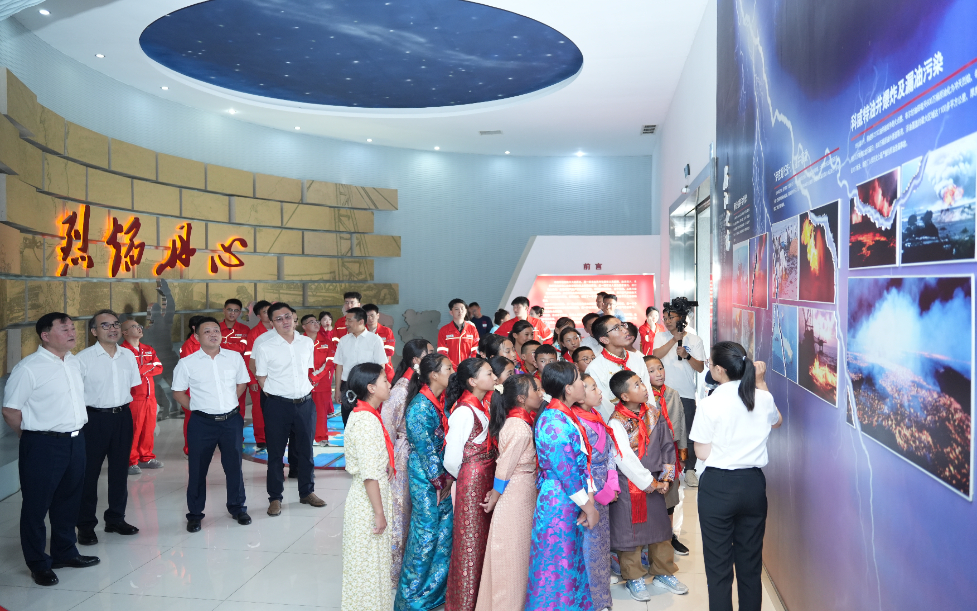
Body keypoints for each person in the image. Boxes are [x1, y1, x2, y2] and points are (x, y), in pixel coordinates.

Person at [2, 313, 99, 586]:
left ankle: (65, 552)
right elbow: (10, 411)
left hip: (75, 440)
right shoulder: (28, 368)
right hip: (43, 444)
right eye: (64, 329)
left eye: (72, 328)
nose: (72, 333)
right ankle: (38, 563)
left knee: (69, 500)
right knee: (36, 506)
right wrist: (30, 436)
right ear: (45, 336)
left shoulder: (74, 362)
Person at [690, 343, 781, 611]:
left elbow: (702, 453)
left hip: (718, 486)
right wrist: (761, 382)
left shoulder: (710, 403)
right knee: (750, 564)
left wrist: (724, 450)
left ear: (719, 370)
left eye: (710, 363)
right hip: (753, 485)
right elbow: (777, 421)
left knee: (718, 568)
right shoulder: (762, 398)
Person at [606, 369, 688, 601]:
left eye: (642, 382)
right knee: (629, 533)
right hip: (631, 483)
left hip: (657, 481)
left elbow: (667, 446)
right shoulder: (616, 421)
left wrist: (666, 478)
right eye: (637, 385)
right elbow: (624, 459)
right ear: (624, 396)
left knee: (661, 530)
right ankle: (634, 577)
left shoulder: (653, 413)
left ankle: (663, 572)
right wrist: (650, 483)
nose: (643, 387)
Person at [525, 362, 599, 610]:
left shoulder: (564, 415)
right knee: (557, 564)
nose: (583, 385)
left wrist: (587, 499)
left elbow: (580, 463)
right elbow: (567, 473)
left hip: (568, 497)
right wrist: (589, 507)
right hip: (559, 500)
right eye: (579, 380)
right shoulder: (553, 422)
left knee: (569, 560)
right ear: (568, 388)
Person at [172, 317, 252, 532]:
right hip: (202, 423)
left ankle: (238, 508)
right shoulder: (187, 363)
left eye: (216, 330)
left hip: (231, 421)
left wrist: (228, 403)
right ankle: (195, 514)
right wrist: (197, 408)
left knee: (234, 467)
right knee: (198, 470)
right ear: (196, 336)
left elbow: (242, 383)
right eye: (207, 331)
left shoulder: (234, 357)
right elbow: (178, 392)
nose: (213, 334)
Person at [475, 374, 542, 611]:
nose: (540, 394)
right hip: (515, 494)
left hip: (521, 492)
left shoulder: (520, 422)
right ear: (522, 398)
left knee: (519, 552)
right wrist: (495, 495)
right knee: (512, 555)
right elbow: (504, 467)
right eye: (535, 390)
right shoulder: (518, 427)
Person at [74, 309, 142, 545]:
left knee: (120, 471)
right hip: (94, 420)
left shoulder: (128, 356)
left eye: (115, 324)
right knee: (89, 474)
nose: (112, 329)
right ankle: (85, 525)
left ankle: (116, 519)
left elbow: (132, 387)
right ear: (94, 331)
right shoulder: (82, 359)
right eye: (105, 325)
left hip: (122, 417)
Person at [395, 353, 456, 610]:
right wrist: (441, 481)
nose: (452, 371)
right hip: (426, 476)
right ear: (433, 375)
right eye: (448, 368)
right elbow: (425, 449)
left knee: (443, 530)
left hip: (440, 475)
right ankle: (411, 596)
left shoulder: (440, 399)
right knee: (426, 532)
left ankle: (433, 591)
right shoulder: (420, 406)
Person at [253, 302, 326, 515]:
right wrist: (277, 395)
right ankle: (275, 497)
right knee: (276, 453)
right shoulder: (265, 346)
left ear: (294, 318)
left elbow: (307, 370)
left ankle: (307, 492)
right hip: (278, 405)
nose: (284, 321)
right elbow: (261, 377)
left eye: (287, 316)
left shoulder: (306, 343)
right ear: (272, 323)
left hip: (305, 404)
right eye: (278, 318)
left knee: (306, 450)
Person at [443, 358, 498, 611]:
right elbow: (452, 459)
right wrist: (468, 477)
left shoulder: (481, 405)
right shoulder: (464, 411)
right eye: (489, 373)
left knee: (481, 540)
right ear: (473, 381)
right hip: (472, 483)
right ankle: (463, 603)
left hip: (482, 479)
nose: (494, 377)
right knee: (470, 543)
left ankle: (479, 600)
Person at [341, 363, 395, 611]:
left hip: (371, 499)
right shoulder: (365, 421)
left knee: (373, 565)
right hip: (367, 503)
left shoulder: (368, 414)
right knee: (368, 568)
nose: (389, 384)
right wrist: (379, 512)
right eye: (384, 380)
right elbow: (369, 476)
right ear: (371, 388)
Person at [383, 338, 433, 590]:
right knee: (401, 513)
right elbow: (387, 428)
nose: (433, 357)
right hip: (402, 456)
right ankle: (394, 572)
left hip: (417, 453)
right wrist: (390, 462)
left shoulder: (420, 384)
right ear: (416, 360)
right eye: (429, 353)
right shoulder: (401, 389)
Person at [575, 373, 620, 611]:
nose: (599, 391)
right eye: (593, 388)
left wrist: (612, 483)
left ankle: (601, 598)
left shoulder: (596, 415)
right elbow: (581, 463)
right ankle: (589, 601)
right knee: (588, 545)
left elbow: (610, 452)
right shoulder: (575, 422)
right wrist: (598, 488)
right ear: (579, 395)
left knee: (601, 544)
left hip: (604, 484)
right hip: (588, 488)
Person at [653, 305, 705, 486]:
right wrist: (674, 340)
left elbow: (700, 368)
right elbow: (655, 356)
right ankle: (665, 467)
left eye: (671, 317)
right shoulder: (660, 336)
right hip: (662, 393)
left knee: (687, 433)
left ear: (681, 318)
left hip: (686, 393)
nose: (667, 321)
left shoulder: (695, 339)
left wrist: (687, 355)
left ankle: (689, 469)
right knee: (662, 431)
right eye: (665, 318)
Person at [644, 354, 690, 555]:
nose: (658, 373)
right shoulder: (641, 395)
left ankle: (669, 537)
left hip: (669, 454)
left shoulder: (672, 394)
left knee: (670, 496)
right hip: (649, 454)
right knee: (651, 497)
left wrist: (682, 454)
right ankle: (649, 540)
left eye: (660, 368)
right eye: (651, 371)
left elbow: (680, 423)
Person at [585, 315, 653, 422]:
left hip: (644, 419)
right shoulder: (595, 368)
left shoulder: (637, 358)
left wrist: (651, 418)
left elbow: (647, 389)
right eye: (617, 328)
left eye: (623, 325)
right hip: (617, 423)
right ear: (605, 339)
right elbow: (604, 405)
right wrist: (625, 422)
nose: (625, 330)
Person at [120, 319, 163, 475]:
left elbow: (159, 367)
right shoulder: (122, 351)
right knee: (134, 431)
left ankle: (146, 458)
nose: (139, 328)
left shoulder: (148, 349)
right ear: (124, 332)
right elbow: (130, 372)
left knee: (148, 429)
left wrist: (141, 368)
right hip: (134, 398)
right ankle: (130, 461)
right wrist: (149, 367)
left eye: (139, 326)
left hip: (150, 398)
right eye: (134, 326)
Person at [333, 307, 389, 425]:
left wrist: (379, 388)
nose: (346, 323)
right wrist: (338, 390)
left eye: (349, 320)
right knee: (348, 420)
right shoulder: (343, 340)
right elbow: (339, 366)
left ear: (361, 321)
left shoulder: (375, 340)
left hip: (368, 387)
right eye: (346, 320)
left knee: (367, 420)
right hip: (347, 386)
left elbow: (381, 366)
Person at [244, 300, 273, 450]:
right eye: (265, 312)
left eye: (270, 311)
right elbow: (248, 358)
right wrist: (252, 380)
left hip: (277, 378)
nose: (269, 314)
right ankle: (261, 438)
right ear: (258, 315)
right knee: (259, 409)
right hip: (258, 378)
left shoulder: (279, 330)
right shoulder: (254, 333)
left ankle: (275, 436)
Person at [301, 314, 333, 446]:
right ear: (304, 326)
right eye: (311, 322)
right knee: (302, 412)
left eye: (317, 321)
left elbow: (329, 363)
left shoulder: (327, 342)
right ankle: (304, 437)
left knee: (321, 412)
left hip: (321, 383)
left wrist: (314, 378)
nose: (316, 324)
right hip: (302, 383)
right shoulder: (298, 342)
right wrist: (306, 379)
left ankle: (321, 436)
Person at [178, 315, 205, 456]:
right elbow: (190, 369)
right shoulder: (188, 346)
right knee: (192, 419)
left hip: (205, 387)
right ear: (195, 328)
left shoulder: (205, 342)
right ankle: (190, 449)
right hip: (192, 389)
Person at [219, 299, 250, 415]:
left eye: (236, 311)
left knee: (239, 403)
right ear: (224, 310)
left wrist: (221, 345)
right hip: (218, 369)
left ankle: (237, 427)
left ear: (240, 313)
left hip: (238, 371)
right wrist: (233, 346)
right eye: (230, 310)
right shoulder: (216, 328)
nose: (232, 313)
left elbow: (242, 348)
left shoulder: (245, 329)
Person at [437, 298, 480, 367]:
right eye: (456, 309)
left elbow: (475, 349)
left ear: (466, 311)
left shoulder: (472, 329)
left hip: (468, 367)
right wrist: (452, 366)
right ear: (451, 312)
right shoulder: (444, 330)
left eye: (462, 309)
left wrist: (469, 365)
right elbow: (442, 352)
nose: (460, 311)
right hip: (450, 368)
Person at [364, 303, 397, 382]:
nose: (370, 318)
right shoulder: (361, 332)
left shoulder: (387, 331)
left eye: (372, 315)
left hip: (386, 370)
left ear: (378, 315)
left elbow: (389, 351)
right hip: (366, 370)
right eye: (367, 316)